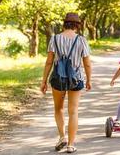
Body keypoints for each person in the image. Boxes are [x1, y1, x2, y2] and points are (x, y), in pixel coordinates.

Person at [40, 13, 92, 153]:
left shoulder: (55, 39)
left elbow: (49, 62)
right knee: (73, 111)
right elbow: (87, 63)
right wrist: (88, 80)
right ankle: (70, 144)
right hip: (76, 79)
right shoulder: (81, 40)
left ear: (64, 24)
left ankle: (62, 137)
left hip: (58, 78)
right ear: (77, 25)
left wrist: (44, 81)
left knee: (58, 109)